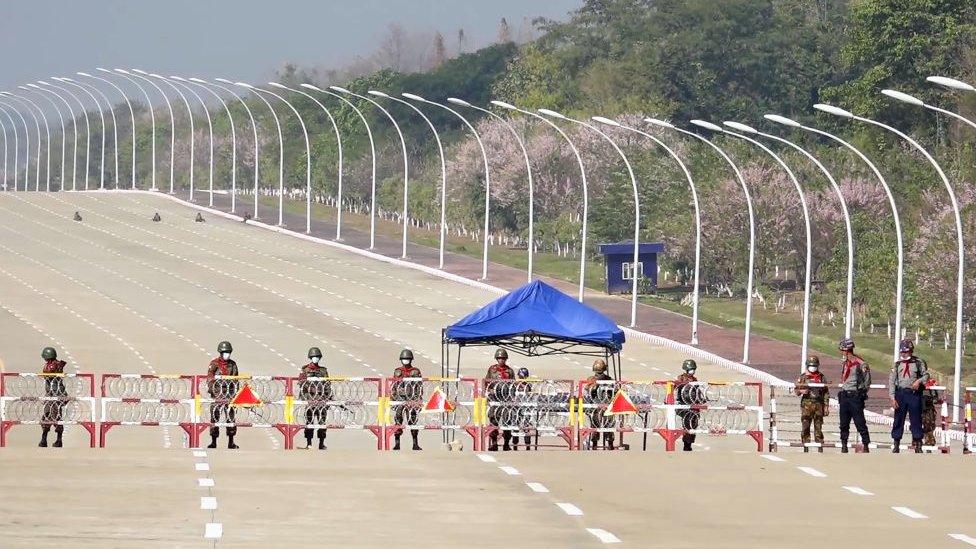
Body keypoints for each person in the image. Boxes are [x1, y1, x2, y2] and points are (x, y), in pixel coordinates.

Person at [889, 339, 929, 453]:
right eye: (902, 352)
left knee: (916, 419)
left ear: (911, 351)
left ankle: (918, 443)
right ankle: (896, 443)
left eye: (906, 352)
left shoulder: (918, 362)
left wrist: (919, 381)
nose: (903, 354)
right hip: (901, 394)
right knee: (898, 419)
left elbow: (926, 375)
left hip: (914, 394)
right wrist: (892, 397)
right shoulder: (897, 364)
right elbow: (892, 381)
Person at [837, 338, 871, 453]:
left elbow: (867, 380)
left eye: (843, 351)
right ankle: (844, 444)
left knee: (860, 422)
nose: (842, 353)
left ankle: (866, 444)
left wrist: (862, 392)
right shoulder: (845, 363)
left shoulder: (861, 364)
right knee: (843, 423)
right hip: (845, 396)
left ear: (847, 351)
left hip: (855, 396)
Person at [206, 341, 240, 449]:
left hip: (229, 394)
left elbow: (235, 379)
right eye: (225, 352)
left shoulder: (233, 364)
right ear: (220, 352)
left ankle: (231, 442)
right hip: (217, 393)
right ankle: (213, 441)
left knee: (231, 418)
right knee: (214, 418)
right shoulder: (214, 364)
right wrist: (215, 393)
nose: (227, 354)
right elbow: (210, 379)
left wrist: (235, 393)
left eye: (228, 352)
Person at [298, 347, 331, 450]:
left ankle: (321, 443)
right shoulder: (305, 370)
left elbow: (328, 384)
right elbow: (301, 383)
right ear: (310, 357)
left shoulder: (323, 370)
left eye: (317, 357)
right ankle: (309, 443)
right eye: (313, 357)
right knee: (309, 423)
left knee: (322, 423)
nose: (315, 358)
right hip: (310, 399)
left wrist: (329, 398)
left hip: (321, 400)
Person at [795, 356, 829, 453]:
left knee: (818, 427)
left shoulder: (821, 377)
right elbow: (796, 391)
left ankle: (820, 446)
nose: (812, 367)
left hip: (818, 404)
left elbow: (826, 393)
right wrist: (802, 391)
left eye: (814, 365)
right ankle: (805, 445)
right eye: (811, 365)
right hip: (806, 405)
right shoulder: (803, 377)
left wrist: (826, 406)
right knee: (805, 426)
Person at [391, 349, 422, 451]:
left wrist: (418, 400)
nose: (405, 360)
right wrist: (393, 399)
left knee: (412, 420)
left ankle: (415, 443)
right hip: (400, 399)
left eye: (407, 359)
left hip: (411, 399)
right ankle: (397, 444)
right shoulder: (398, 371)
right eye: (404, 359)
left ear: (411, 360)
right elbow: (394, 386)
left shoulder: (416, 371)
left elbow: (419, 386)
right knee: (398, 420)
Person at [485, 349, 515, 451]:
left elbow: (512, 385)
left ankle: (506, 443)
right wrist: (490, 390)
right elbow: (486, 382)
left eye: (503, 358)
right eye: (499, 358)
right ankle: (494, 443)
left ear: (506, 359)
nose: (501, 360)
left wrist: (511, 398)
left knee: (507, 421)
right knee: (493, 421)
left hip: (506, 398)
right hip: (495, 398)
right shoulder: (492, 370)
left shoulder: (509, 371)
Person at [39, 347, 68, 448]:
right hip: (51, 394)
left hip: (55, 394)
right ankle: (44, 439)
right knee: (47, 416)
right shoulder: (53, 364)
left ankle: (58, 440)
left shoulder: (53, 365)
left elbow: (46, 373)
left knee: (56, 417)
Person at [674, 359, 705, 452]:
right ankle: (686, 445)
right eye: (691, 369)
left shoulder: (695, 379)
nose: (693, 371)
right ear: (686, 369)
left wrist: (701, 399)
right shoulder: (681, 378)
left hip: (693, 405)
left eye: (694, 369)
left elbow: (696, 391)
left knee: (693, 425)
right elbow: (674, 387)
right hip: (684, 405)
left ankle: (689, 444)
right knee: (687, 424)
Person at [585, 359, 615, 450]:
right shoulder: (608, 379)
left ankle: (598, 444)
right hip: (600, 405)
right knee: (605, 424)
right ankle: (608, 444)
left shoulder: (594, 379)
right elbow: (589, 389)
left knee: (600, 424)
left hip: (601, 405)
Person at [512, 367, 534, 451]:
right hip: (516, 408)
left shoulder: (528, 385)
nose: (522, 378)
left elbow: (530, 395)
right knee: (515, 427)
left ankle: (528, 445)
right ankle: (515, 445)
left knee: (526, 427)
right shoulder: (514, 384)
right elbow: (512, 395)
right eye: (521, 376)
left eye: (524, 377)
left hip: (526, 408)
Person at [921, 377, 940, 450]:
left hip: (929, 405)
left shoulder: (931, 381)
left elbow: (935, 396)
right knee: (919, 422)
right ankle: (917, 439)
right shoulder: (916, 379)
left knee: (930, 422)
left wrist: (935, 398)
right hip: (919, 403)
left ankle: (929, 439)